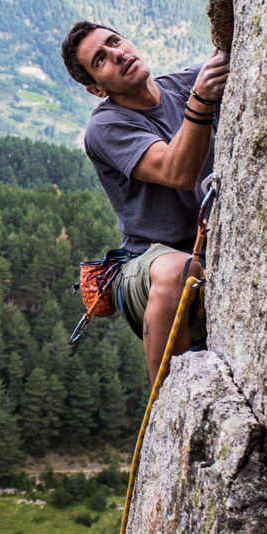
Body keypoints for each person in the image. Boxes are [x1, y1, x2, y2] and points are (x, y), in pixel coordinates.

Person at [60, 21, 229, 382]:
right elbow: (176, 171)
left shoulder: (183, 84)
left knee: (188, 266)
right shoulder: (106, 126)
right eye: (101, 59)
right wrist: (200, 102)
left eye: (115, 41)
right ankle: (168, 400)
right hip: (147, 261)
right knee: (178, 269)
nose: (118, 54)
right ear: (96, 88)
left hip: (210, 250)